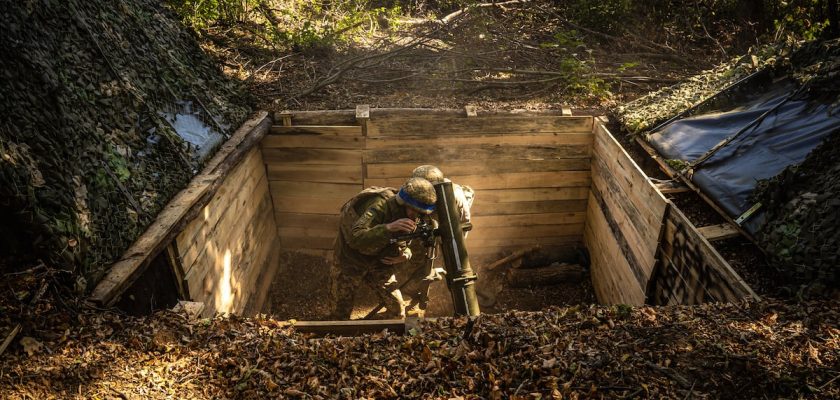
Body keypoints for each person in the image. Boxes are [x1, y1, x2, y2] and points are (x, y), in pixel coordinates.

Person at [329, 177, 437, 320]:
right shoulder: (380, 205)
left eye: (421, 213)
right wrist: (388, 228)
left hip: (379, 262)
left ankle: (371, 332)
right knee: (339, 317)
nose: (417, 216)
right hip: (351, 259)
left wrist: (405, 254)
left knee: (398, 312)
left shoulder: (415, 216)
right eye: (415, 210)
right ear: (403, 202)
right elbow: (355, 238)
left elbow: (406, 243)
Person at [400, 165, 475, 315]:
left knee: (451, 262)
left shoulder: (454, 196)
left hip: (449, 223)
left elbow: (463, 224)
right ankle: (413, 285)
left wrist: (451, 246)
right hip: (428, 219)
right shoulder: (417, 189)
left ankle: (444, 300)